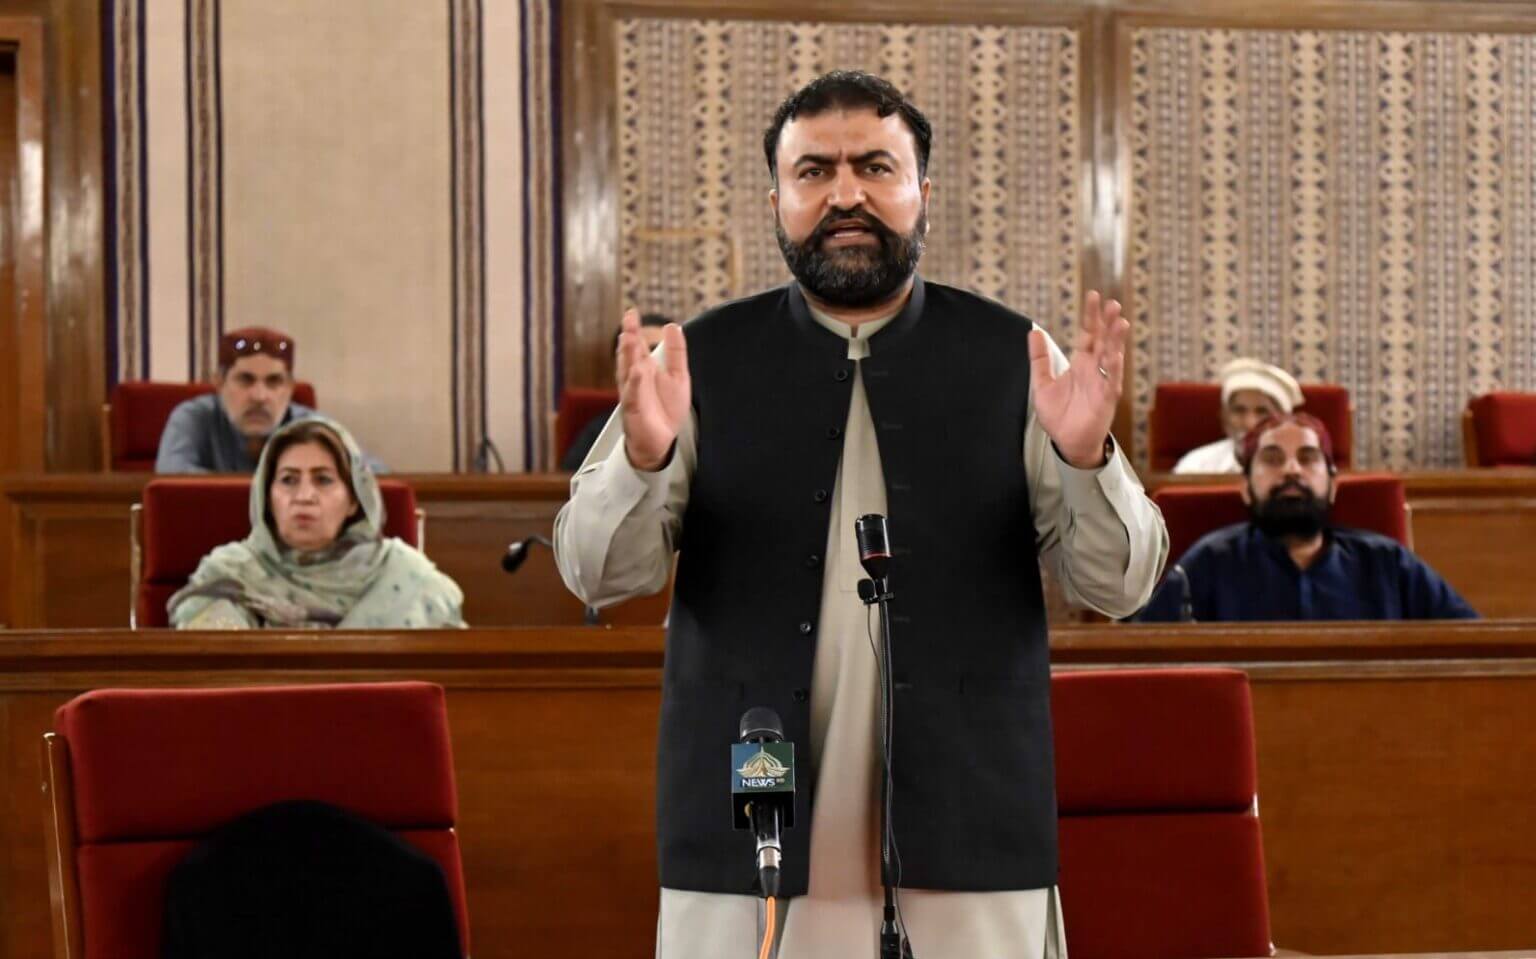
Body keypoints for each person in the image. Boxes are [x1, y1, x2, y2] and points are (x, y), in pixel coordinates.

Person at [554, 71, 1168, 958]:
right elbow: (597, 575)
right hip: (750, 844)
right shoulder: (696, 362)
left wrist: (1084, 458)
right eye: (814, 173)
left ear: (925, 193)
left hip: (968, 845)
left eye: (876, 167)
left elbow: (1120, 585)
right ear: (777, 199)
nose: (846, 194)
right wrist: (643, 461)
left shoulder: (1014, 358)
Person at [1140, 412, 1476, 621]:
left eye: (1307, 458)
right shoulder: (1208, 562)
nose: (1291, 470)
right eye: (1272, 459)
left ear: (1332, 486)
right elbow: (1146, 651)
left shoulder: (1389, 563)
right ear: (1244, 487)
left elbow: (1470, 642)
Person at [169, 416, 463, 629]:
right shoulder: (230, 574)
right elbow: (212, 672)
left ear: (353, 501)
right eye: (288, 480)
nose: (304, 496)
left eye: (323, 480)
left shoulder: (409, 578)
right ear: (266, 498)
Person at [155, 326, 385, 474]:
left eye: (274, 382)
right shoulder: (194, 418)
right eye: (246, 380)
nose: (259, 396)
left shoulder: (311, 426)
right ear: (219, 383)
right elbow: (171, 475)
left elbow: (376, 474)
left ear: (290, 388)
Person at [560, 313, 673, 471]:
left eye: (657, 353)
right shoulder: (598, 431)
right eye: (637, 356)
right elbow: (572, 487)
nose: (647, 366)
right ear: (617, 370)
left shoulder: (705, 424)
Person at [1171, 357, 1303, 474]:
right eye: (1239, 410)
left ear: (1283, 420)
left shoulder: (1301, 469)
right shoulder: (1196, 466)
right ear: (1225, 417)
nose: (1250, 424)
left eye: (1262, 411)